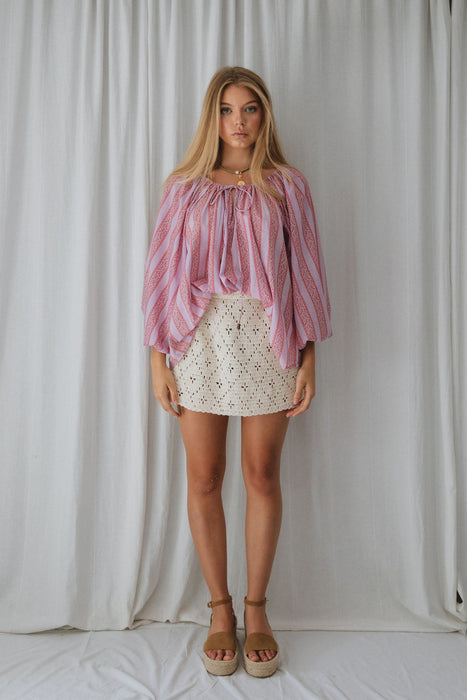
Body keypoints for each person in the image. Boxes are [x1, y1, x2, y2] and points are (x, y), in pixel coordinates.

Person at [141, 66, 332, 678]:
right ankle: (219, 610)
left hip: (269, 339)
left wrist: (308, 357)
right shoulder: (183, 188)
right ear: (213, 117)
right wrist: (156, 359)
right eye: (227, 110)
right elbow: (162, 272)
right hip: (196, 341)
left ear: (264, 115)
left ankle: (257, 609)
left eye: (250, 109)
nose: (239, 121)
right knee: (204, 477)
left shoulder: (288, 186)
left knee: (261, 474)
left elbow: (305, 270)